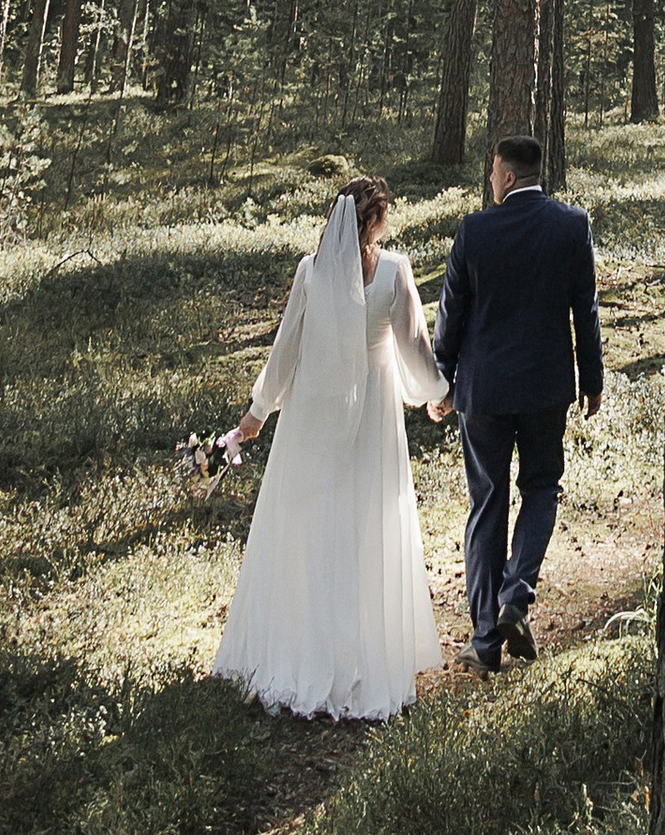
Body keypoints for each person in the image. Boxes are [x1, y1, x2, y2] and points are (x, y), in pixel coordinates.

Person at [213, 172, 452, 719]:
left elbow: (287, 350)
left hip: (313, 417)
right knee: (365, 527)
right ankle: (360, 652)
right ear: (374, 221)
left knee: (314, 531)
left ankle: (308, 647)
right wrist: (436, 393)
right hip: (370, 416)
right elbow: (415, 344)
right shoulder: (393, 271)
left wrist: (255, 416)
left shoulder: (312, 272)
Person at [432, 134, 602, 676]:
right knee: (541, 488)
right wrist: (591, 379)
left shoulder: (475, 231)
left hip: (482, 392)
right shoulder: (572, 226)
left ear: (506, 176)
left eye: (492, 173)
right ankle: (517, 593)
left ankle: (484, 644)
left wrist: (442, 381)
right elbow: (587, 311)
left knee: (487, 503)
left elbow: (451, 313)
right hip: (545, 388)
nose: (490, 180)